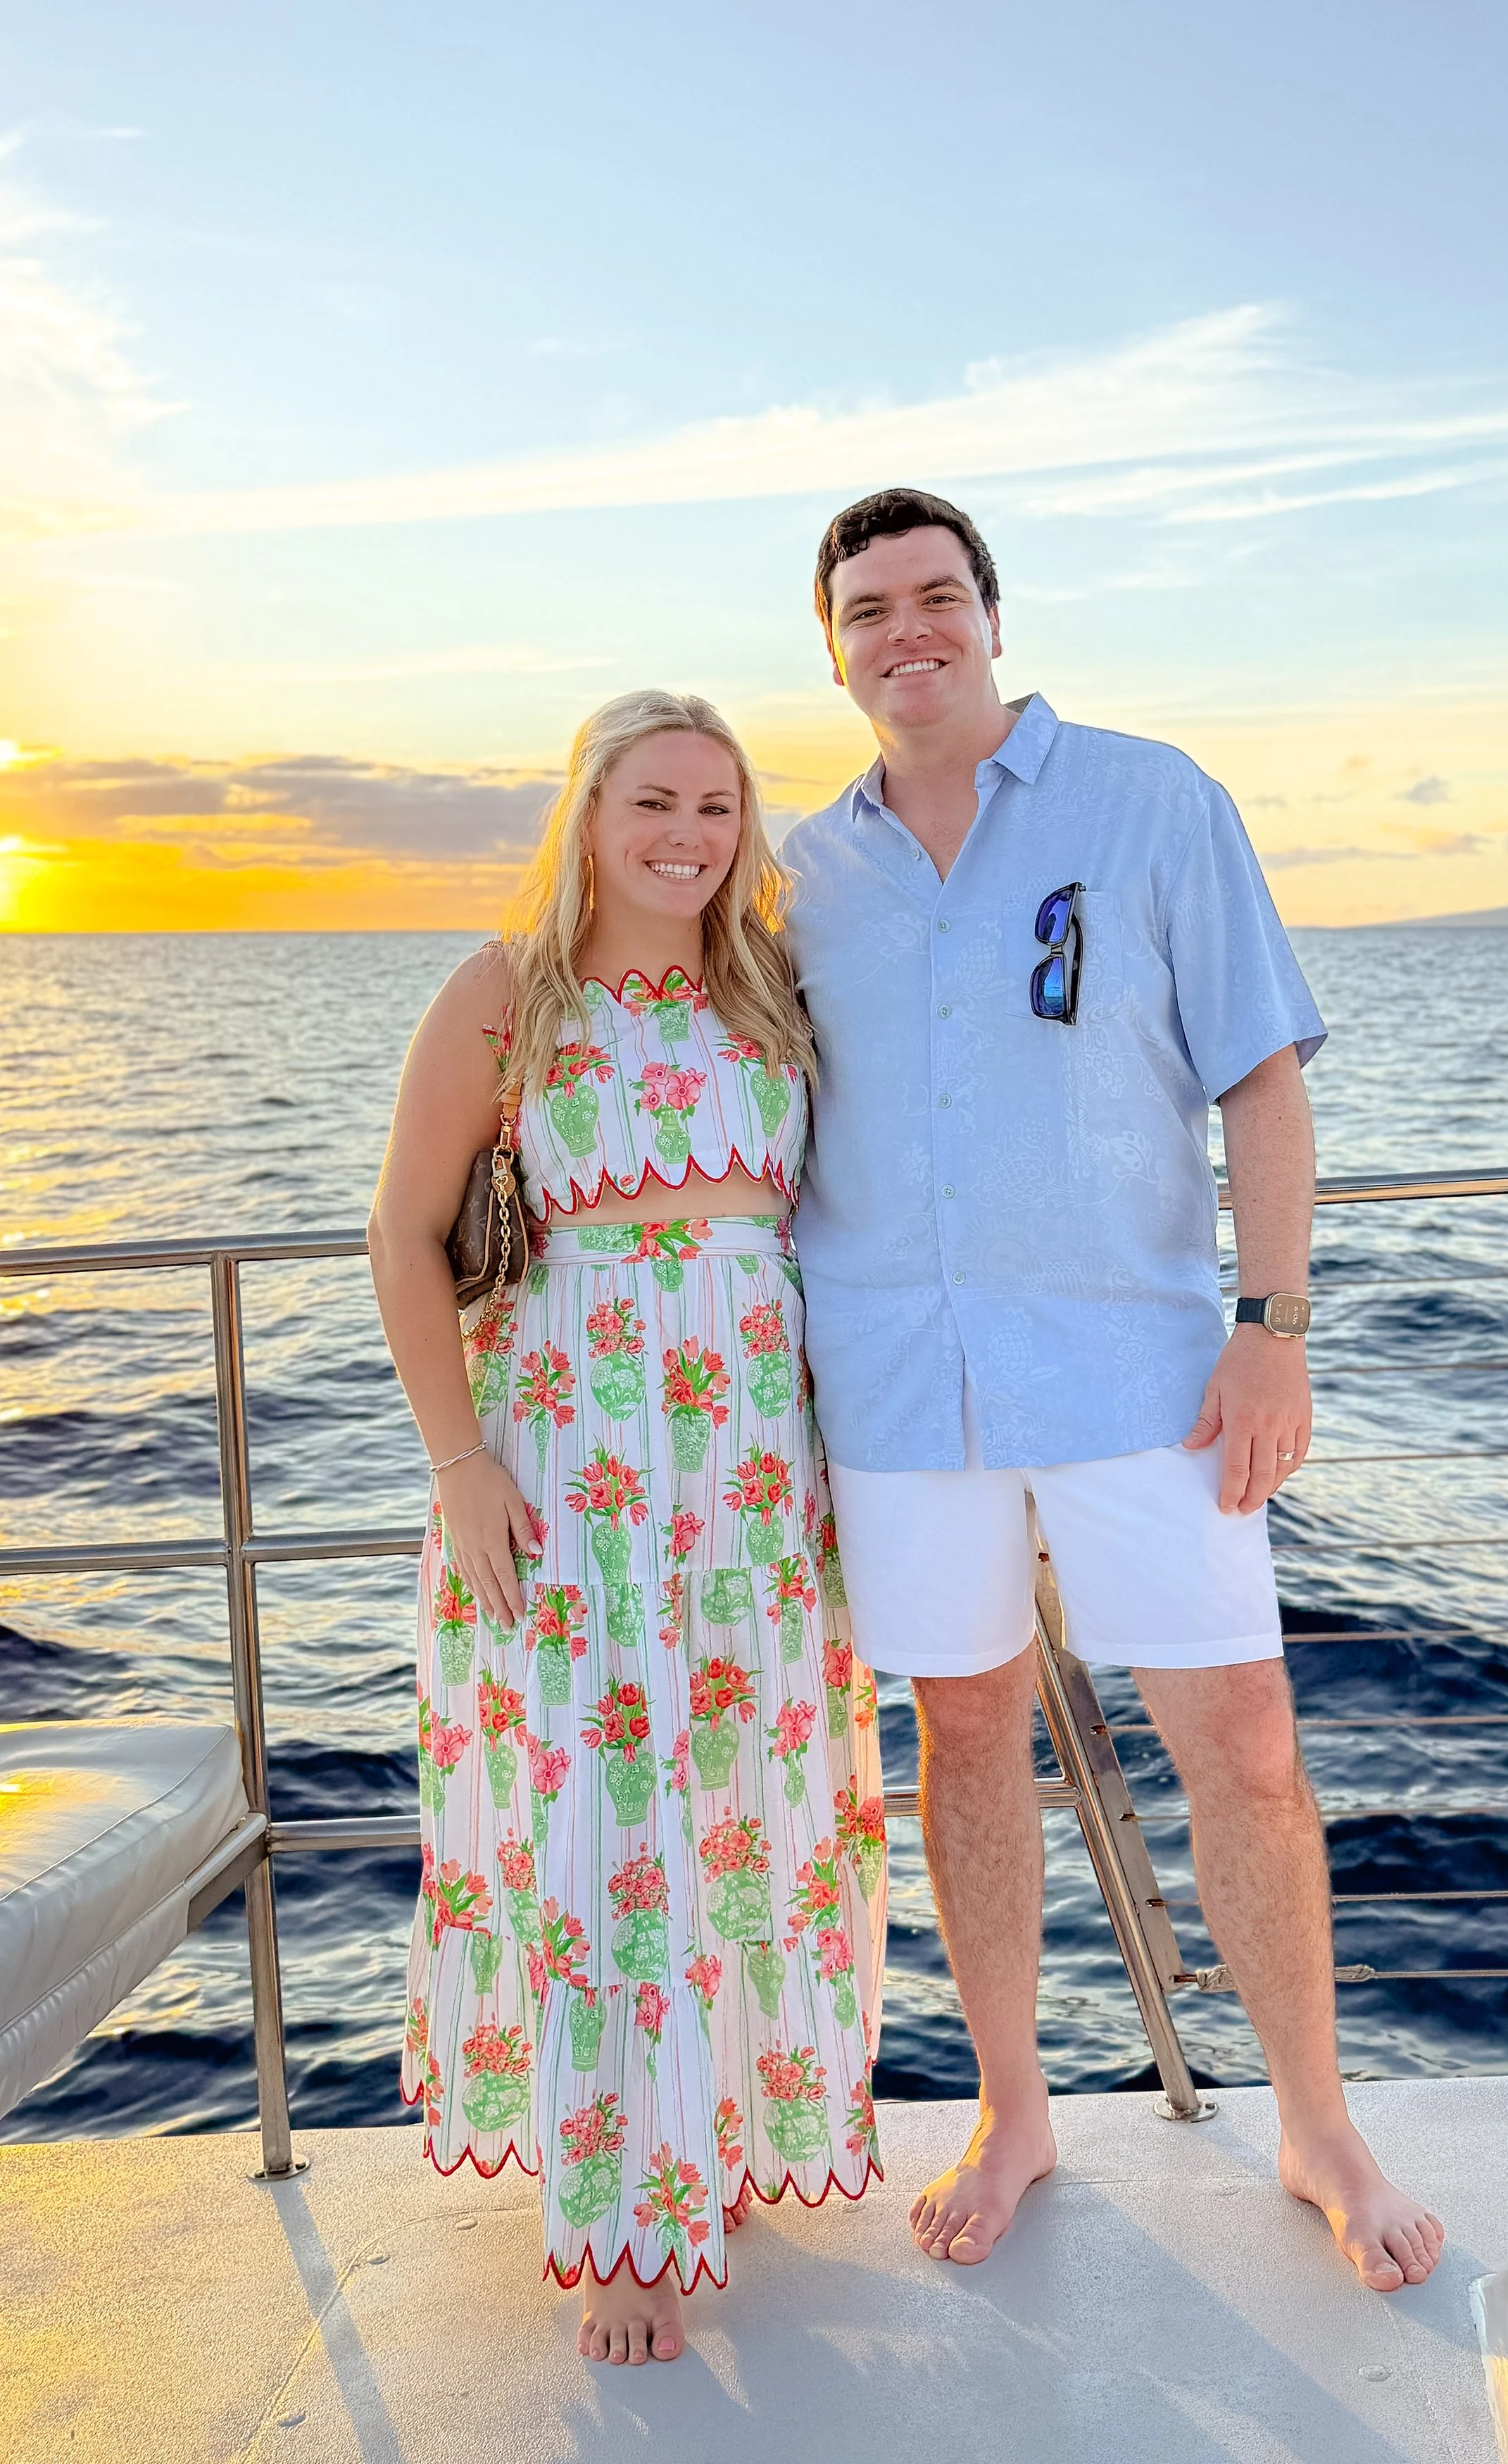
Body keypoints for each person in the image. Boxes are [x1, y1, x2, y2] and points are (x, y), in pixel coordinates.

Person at [783, 488, 1443, 2295]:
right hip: (898, 1393)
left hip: (1143, 1378)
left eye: (935, 595)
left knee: (1244, 1742)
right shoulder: (797, 874)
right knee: (961, 1739)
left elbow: (1261, 1080)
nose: (907, 629)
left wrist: (1272, 1323)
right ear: (832, 653)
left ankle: (1315, 2124)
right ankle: (1014, 2113)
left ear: (991, 615)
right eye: (866, 609)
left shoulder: (1151, 801)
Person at [369, 689, 886, 2367]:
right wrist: (459, 1464)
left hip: (755, 1470)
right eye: (652, 801)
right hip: (570, 1459)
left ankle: (710, 2141)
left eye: (715, 808)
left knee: (740, 1806)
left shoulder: (771, 990)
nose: (685, 835)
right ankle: (618, 2227)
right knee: (602, 1816)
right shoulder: (505, 993)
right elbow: (401, 1232)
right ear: (587, 815)